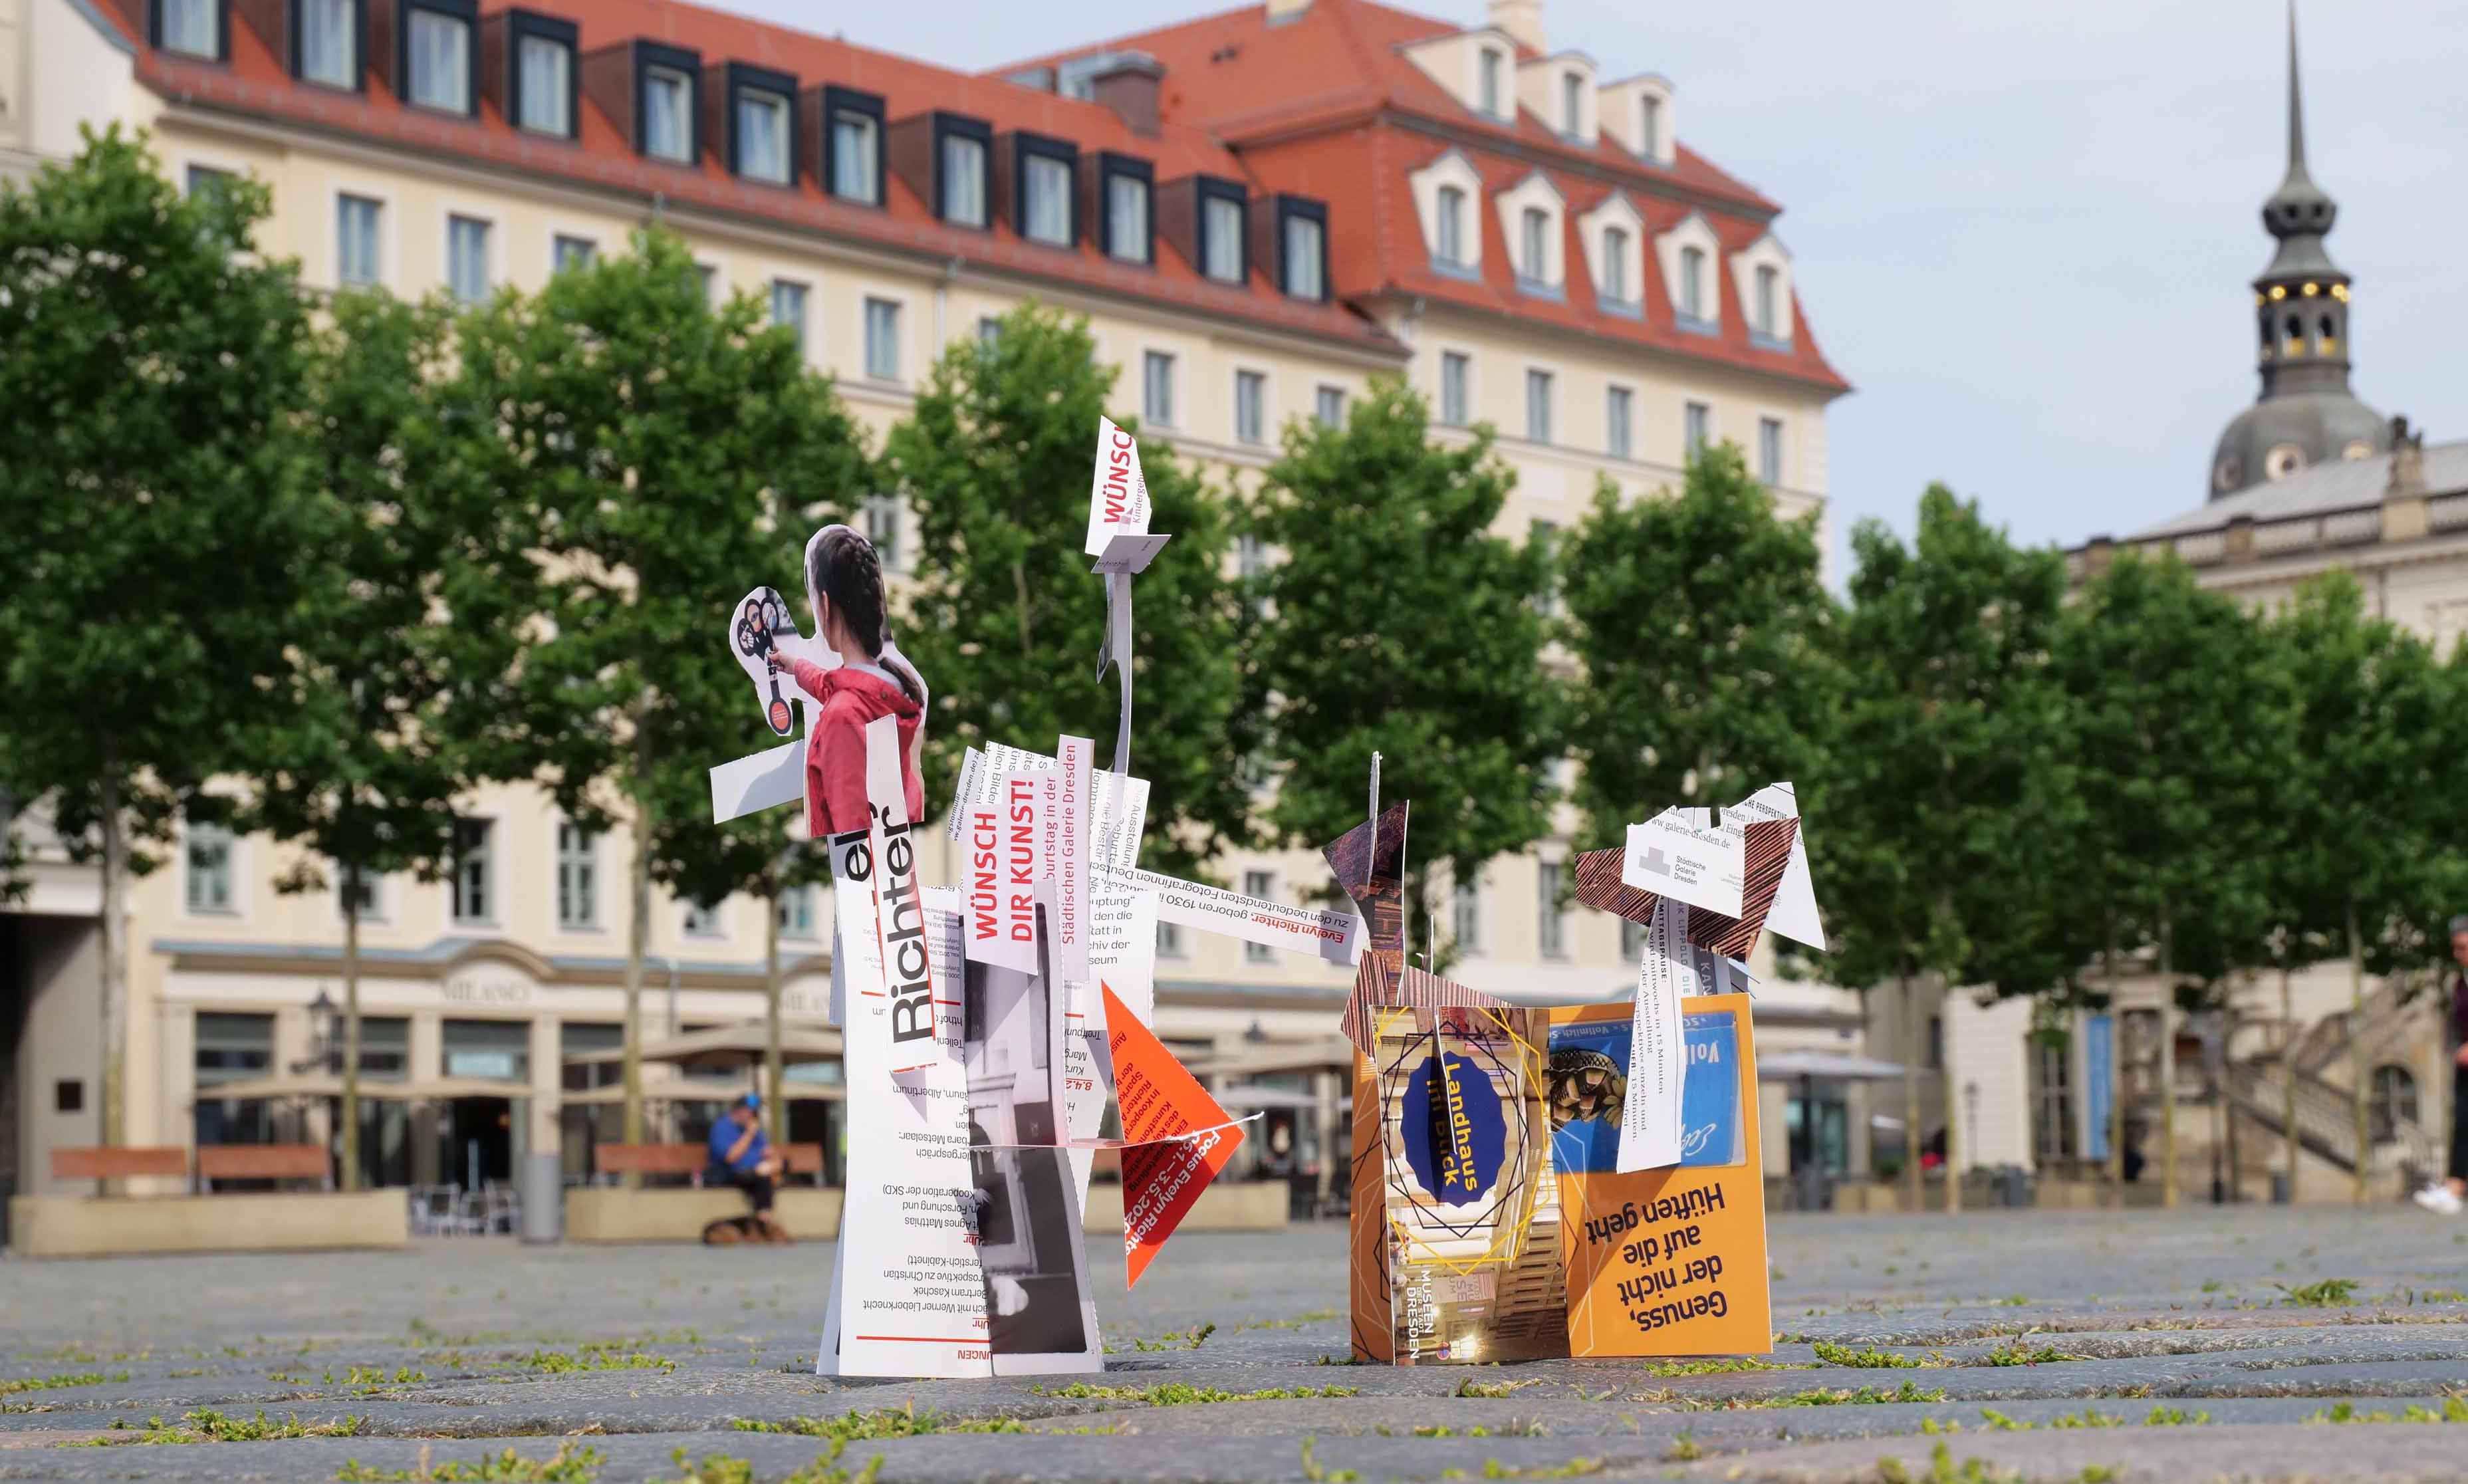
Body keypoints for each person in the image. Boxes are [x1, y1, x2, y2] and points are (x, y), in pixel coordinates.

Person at [768, 525, 927, 838]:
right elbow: (834, 686)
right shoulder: (894, 686)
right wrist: (796, 666)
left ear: (824, 605)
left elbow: (851, 835)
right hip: (893, 867)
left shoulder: (843, 715)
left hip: (861, 878)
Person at [2411, 918, 2468, 1213]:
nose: (2458, 954)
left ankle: (2454, 1187)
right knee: (2463, 1124)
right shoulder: (2461, 981)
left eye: (2463, 947)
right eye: (2456, 948)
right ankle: (2454, 1187)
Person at [706, 1094, 788, 1243]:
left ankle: (763, 1220)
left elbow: (767, 1151)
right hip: (727, 1173)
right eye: (751, 1111)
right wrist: (749, 1134)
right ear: (739, 1111)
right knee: (760, 1177)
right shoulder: (722, 1127)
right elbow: (731, 1157)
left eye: (755, 1112)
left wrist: (776, 1161)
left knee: (771, 1171)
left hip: (755, 1173)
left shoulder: (756, 1131)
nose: (753, 1115)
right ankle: (763, 1222)